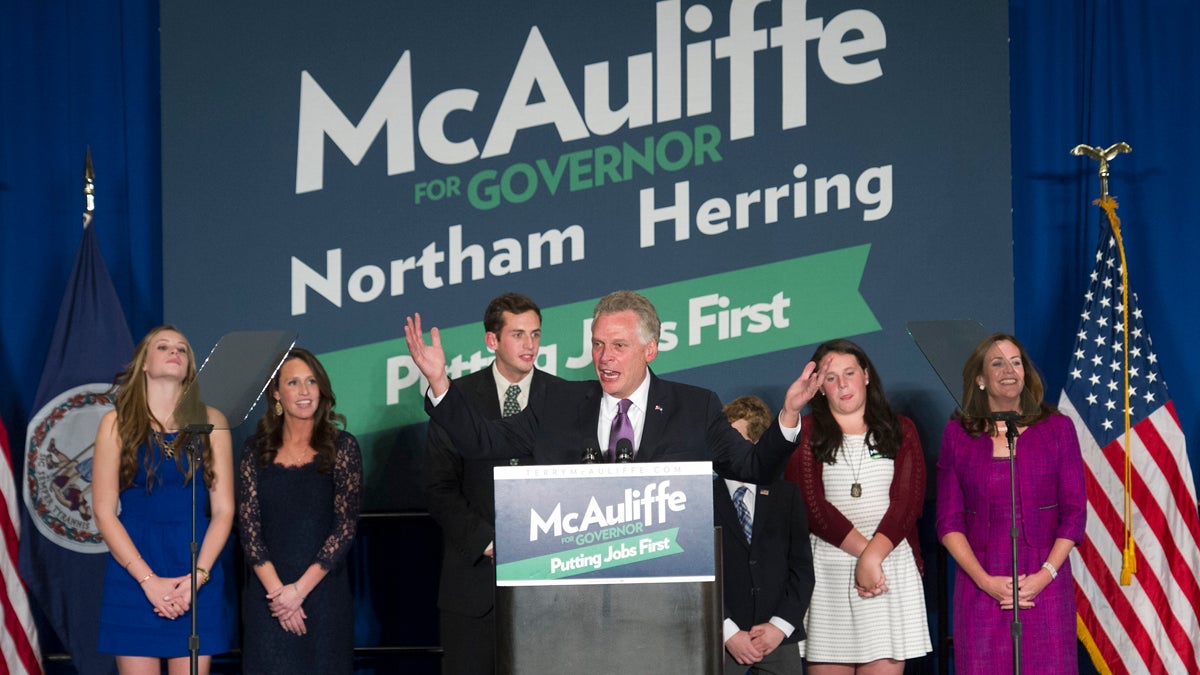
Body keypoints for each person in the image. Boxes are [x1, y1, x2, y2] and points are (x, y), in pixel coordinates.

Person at [403, 290, 825, 483]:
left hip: (668, 597)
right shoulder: (558, 404)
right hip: (576, 599)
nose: (604, 358)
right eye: (598, 345)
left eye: (619, 346)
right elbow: (483, 441)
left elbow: (754, 469)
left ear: (650, 349)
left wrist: (788, 416)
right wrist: (440, 382)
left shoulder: (694, 407)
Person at [424, 293, 563, 675]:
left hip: (551, 591)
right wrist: (490, 542)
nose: (530, 345)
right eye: (518, 334)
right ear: (492, 341)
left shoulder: (564, 398)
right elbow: (440, 488)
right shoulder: (455, 399)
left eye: (535, 334)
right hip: (474, 588)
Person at [935, 333, 1086, 674]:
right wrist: (985, 580)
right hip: (981, 583)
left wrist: (1044, 575)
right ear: (980, 378)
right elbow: (948, 521)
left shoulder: (1058, 429)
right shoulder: (958, 434)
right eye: (997, 363)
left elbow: (1074, 513)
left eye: (1016, 362)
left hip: (1044, 581)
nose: (1009, 370)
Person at [784, 339, 931, 673]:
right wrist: (866, 555)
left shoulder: (901, 429)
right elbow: (811, 507)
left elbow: (907, 504)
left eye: (849, 373)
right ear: (819, 388)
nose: (842, 384)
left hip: (888, 568)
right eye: (831, 378)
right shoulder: (806, 432)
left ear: (866, 375)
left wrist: (874, 558)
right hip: (828, 570)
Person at [95, 326, 235, 673]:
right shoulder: (116, 423)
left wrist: (197, 578)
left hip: (196, 570)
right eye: (163, 346)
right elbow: (103, 510)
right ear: (144, 362)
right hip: (134, 570)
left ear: (189, 367)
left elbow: (223, 510)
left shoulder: (212, 421)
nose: (175, 352)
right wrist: (147, 580)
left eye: (182, 349)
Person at [237, 348, 363, 673]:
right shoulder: (255, 451)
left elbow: (345, 528)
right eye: (293, 383)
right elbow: (249, 530)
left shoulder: (343, 447)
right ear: (277, 394)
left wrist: (298, 592)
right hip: (268, 598)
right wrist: (280, 596)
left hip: (322, 595)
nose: (305, 391)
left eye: (311, 381)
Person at [717, 396, 814, 675]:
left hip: (778, 640)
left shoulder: (786, 497)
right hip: (724, 642)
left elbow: (802, 571)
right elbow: (700, 576)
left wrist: (779, 627)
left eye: (735, 439)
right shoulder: (701, 498)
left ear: (757, 444)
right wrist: (728, 632)